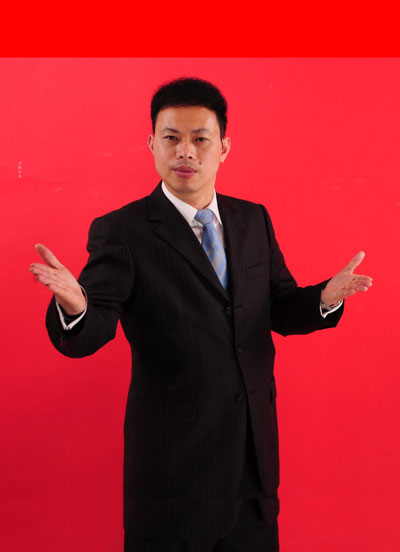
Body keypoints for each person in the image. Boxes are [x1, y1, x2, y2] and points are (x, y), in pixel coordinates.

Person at [29, 77, 373, 551]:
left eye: (200, 139)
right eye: (171, 138)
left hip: (252, 468)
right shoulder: (123, 230)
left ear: (224, 148)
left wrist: (323, 299)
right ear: (152, 144)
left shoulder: (253, 219)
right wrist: (77, 306)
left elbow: (278, 306)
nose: (185, 151)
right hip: (173, 476)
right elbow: (95, 327)